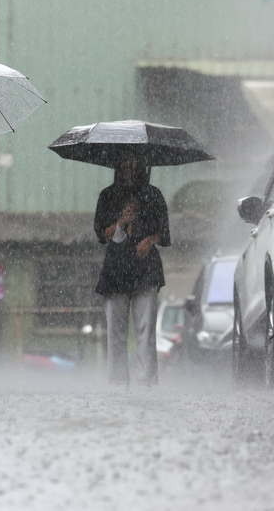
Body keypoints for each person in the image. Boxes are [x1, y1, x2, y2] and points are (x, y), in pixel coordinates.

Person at [93, 153, 170, 386]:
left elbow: (164, 233)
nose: (129, 164)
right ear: (117, 163)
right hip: (115, 269)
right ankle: (117, 382)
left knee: (146, 330)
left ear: (141, 163)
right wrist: (121, 222)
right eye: (124, 159)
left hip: (146, 269)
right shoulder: (107, 196)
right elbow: (101, 234)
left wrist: (149, 240)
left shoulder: (153, 195)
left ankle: (146, 382)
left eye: (134, 159)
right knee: (115, 332)